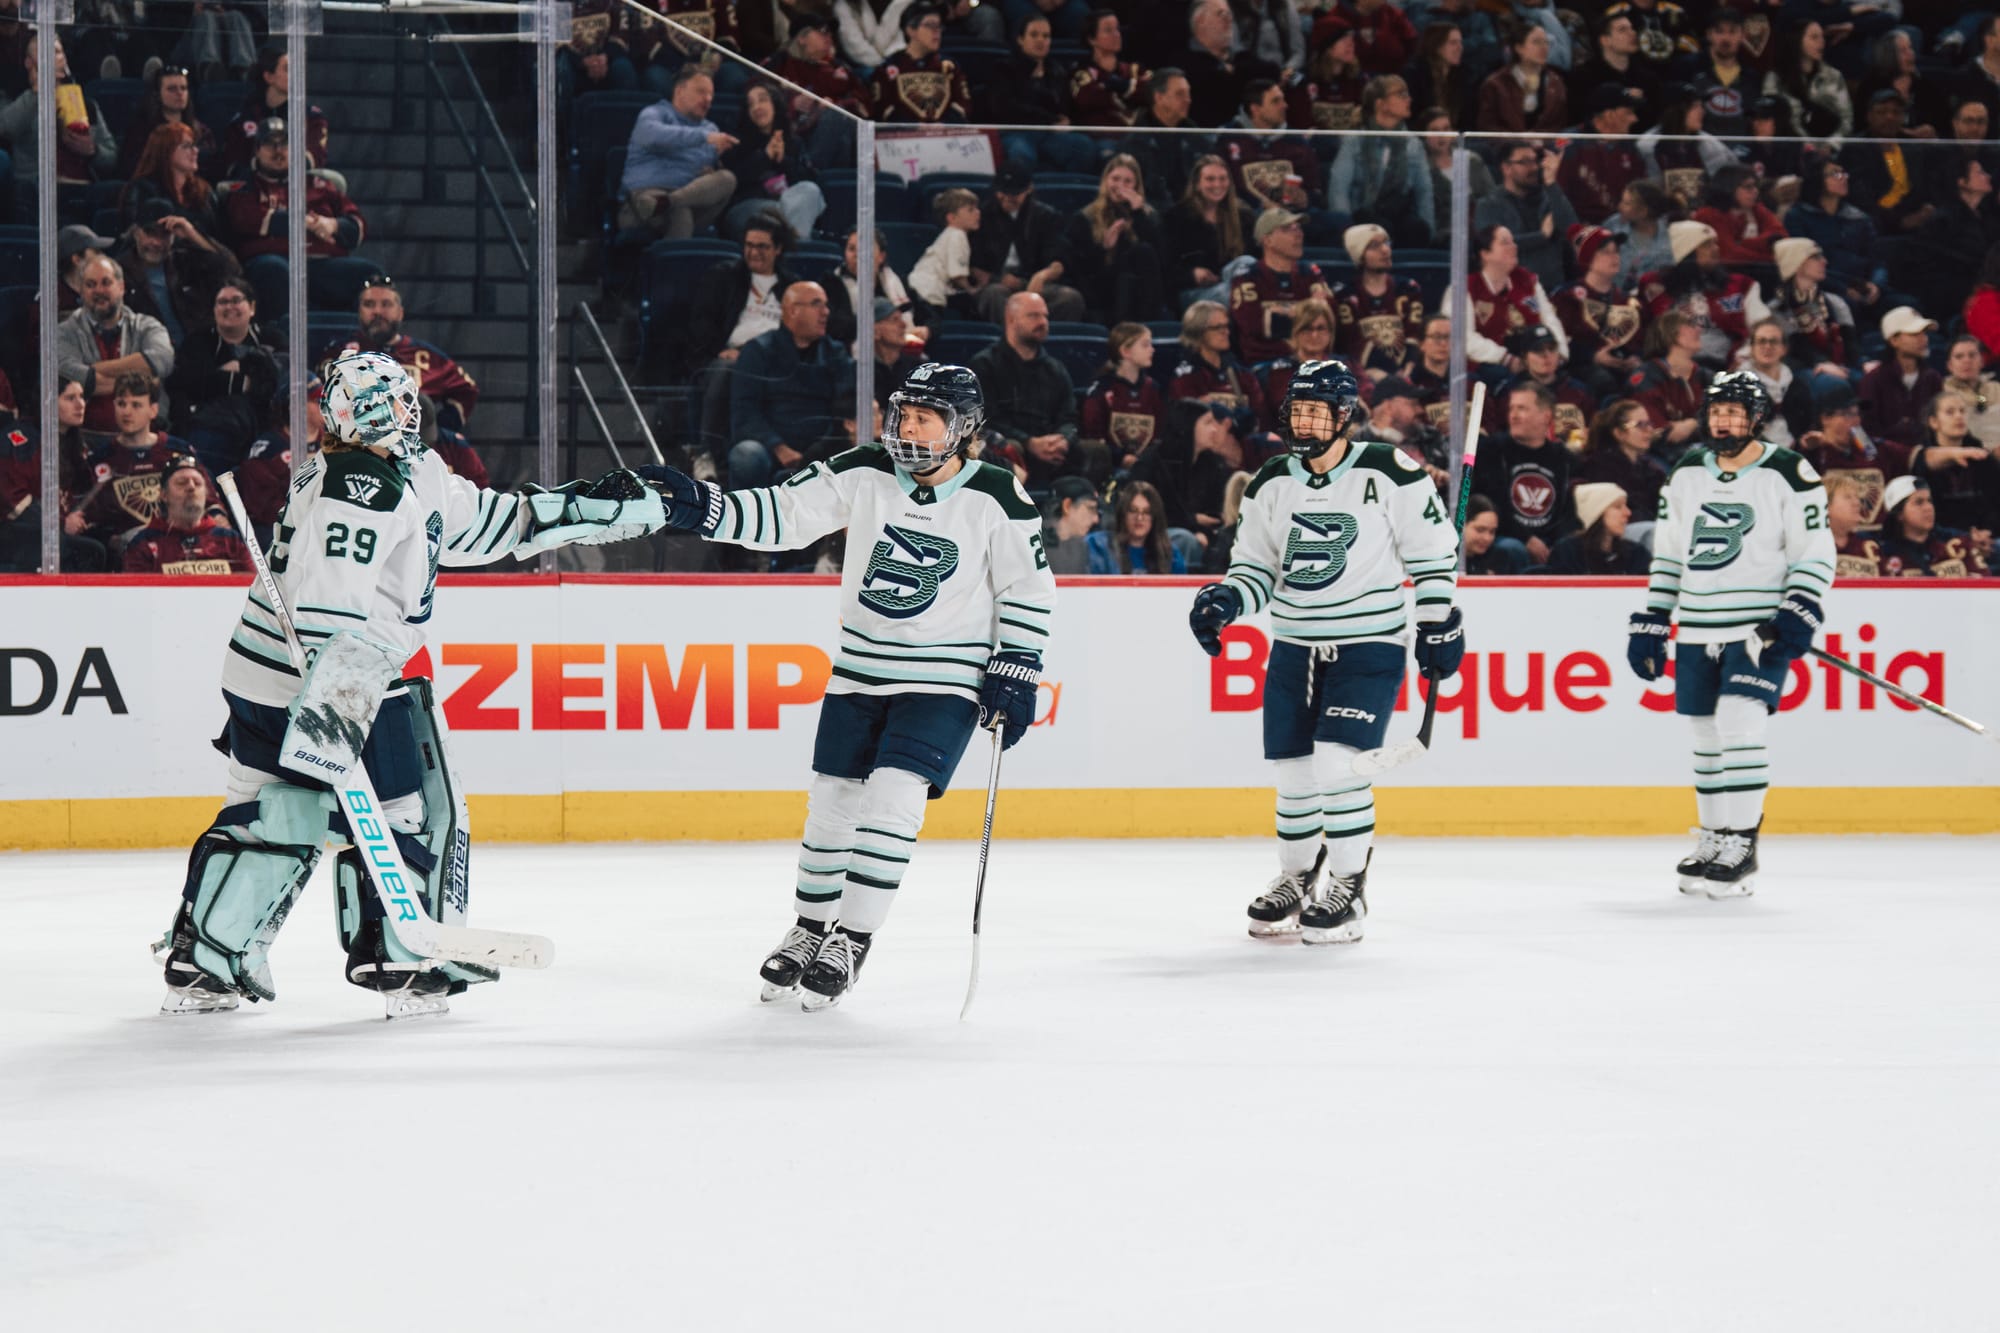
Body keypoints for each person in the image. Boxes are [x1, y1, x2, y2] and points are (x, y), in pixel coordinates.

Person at [155, 351, 670, 1017]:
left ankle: (206, 958)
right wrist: (334, 711)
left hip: (271, 669)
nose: (397, 411)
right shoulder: (359, 479)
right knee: (406, 808)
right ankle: (400, 955)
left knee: (269, 810)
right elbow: (326, 607)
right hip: (333, 670)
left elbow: (492, 523)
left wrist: (594, 509)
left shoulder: (414, 469)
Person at [641, 362, 1057, 1010]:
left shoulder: (998, 495)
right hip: (860, 669)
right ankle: (810, 927)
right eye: (904, 413)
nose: (909, 427)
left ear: (964, 427)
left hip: (944, 677)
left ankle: (853, 936)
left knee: (893, 796)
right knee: (833, 800)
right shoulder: (863, 468)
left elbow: (1027, 587)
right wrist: (708, 507)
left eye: (927, 416)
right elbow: (785, 512)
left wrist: (1018, 663)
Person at [1187, 358, 1464, 944]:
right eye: (1299, 409)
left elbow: (1433, 554)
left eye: (1318, 411)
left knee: (1339, 766)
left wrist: (1438, 619)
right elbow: (1257, 568)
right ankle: (1296, 877)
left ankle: (1349, 886)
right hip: (1292, 647)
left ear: (1345, 416)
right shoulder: (1270, 481)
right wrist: (1227, 601)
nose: (1306, 421)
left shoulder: (1391, 470)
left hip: (1369, 646)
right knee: (1293, 774)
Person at [1626, 371, 1835, 899]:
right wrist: (1654, 617)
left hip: (1757, 628)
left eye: (1735, 411)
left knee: (1739, 723)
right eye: (1717, 410)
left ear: (1757, 418)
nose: (1724, 419)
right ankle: (1715, 835)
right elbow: (1670, 552)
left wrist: (1800, 606)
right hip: (1698, 623)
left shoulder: (1789, 471)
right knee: (1704, 733)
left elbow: (1814, 549)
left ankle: (1743, 840)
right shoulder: (1687, 472)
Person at [223, 120, 371, 318]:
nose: (278, 151)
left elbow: (357, 225)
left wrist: (332, 224)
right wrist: (305, 222)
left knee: (369, 275)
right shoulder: (246, 185)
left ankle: (357, 340)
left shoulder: (319, 184)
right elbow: (244, 219)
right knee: (274, 271)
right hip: (274, 262)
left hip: (322, 263)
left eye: (284, 144)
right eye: (270, 144)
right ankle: (281, 340)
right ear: (257, 150)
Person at [727, 282, 857, 489]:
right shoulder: (758, 350)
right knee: (746, 455)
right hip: (771, 448)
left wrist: (818, 451)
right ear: (793, 310)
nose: (826, 312)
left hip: (822, 446)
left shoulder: (835, 352)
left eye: (826, 305)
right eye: (817, 305)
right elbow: (745, 412)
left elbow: (845, 405)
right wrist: (779, 448)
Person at [321, 274, 479, 431]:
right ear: (359, 311)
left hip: (414, 446)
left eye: (386, 304)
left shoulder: (426, 357)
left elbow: (466, 390)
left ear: (400, 312)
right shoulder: (340, 355)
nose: (377, 311)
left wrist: (441, 430)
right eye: (369, 304)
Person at [970, 292, 1096, 487]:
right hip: (1012, 444)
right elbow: (987, 420)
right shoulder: (985, 365)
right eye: (1034, 316)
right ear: (1011, 319)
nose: (1043, 322)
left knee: (1094, 451)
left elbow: (1069, 417)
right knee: (1011, 448)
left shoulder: (1055, 369)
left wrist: (1063, 439)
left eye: (1045, 316)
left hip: (1051, 446)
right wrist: (1030, 442)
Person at [68, 372, 196, 555]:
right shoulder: (100, 460)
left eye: (136, 405)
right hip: (126, 555)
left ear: (154, 410)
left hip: (180, 547)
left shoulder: (180, 452)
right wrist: (112, 540)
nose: (127, 412)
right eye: (121, 404)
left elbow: (209, 504)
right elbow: (85, 520)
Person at [168, 278, 285, 476]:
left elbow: (278, 380)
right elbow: (191, 384)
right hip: (213, 426)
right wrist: (246, 381)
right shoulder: (197, 342)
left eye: (236, 300)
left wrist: (240, 366)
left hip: (264, 423)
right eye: (222, 302)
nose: (229, 307)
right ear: (214, 309)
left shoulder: (272, 338)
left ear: (252, 307)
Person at [57, 254, 175, 434]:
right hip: (85, 436)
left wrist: (93, 369)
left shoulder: (148, 326)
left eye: (106, 283)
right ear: (81, 291)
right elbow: (74, 376)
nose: (98, 291)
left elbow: (162, 361)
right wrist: (143, 380)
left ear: (121, 287)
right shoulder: (64, 332)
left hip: (147, 435)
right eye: (90, 285)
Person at [620, 66, 739, 240]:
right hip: (644, 198)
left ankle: (668, 202)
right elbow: (654, 137)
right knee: (681, 213)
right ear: (679, 90)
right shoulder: (653, 114)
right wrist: (704, 138)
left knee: (727, 179)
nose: (708, 99)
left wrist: (711, 170)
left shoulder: (710, 128)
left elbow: (706, 169)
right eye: (701, 92)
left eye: (711, 95)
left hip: (689, 200)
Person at [0, 377, 105, 573]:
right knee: (89, 551)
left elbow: (82, 495)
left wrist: (81, 517)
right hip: (16, 533)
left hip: (51, 531)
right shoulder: (21, 439)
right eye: (70, 398)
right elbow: (12, 500)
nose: (80, 404)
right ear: (48, 401)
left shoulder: (77, 445)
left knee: (102, 543)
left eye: (82, 397)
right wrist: (61, 523)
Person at [1637, 220, 1766, 371]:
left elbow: (1764, 327)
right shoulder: (1654, 285)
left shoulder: (1739, 286)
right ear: (1686, 252)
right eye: (1706, 245)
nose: (1716, 249)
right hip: (1668, 367)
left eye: (1715, 243)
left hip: (1722, 366)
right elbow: (1641, 329)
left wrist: (1743, 358)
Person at [967, 165, 1086, 325]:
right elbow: (971, 263)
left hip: (1033, 282)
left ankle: (1045, 340)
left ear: (1028, 189)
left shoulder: (1046, 216)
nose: (1007, 197)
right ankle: (1012, 339)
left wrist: (1042, 276)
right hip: (996, 283)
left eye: (1014, 193)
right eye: (1003, 192)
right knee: (993, 294)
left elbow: (1059, 258)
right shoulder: (982, 216)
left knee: (1070, 298)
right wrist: (997, 278)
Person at [1471, 381, 1574, 566]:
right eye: (1512, 409)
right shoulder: (1492, 450)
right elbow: (1491, 503)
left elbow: (1567, 510)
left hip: (1549, 539)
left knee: (1570, 548)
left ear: (1546, 416)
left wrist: (1555, 543)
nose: (1514, 416)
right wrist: (1527, 539)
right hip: (1504, 535)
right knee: (1512, 549)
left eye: (1522, 409)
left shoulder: (1562, 457)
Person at [1324, 74, 1433, 247]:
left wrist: (1429, 229)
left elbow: (1424, 192)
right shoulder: (1355, 141)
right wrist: (1344, 230)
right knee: (1380, 228)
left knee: (1417, 230)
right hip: (1362, 213)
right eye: (1401, 95)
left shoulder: (1413, 144)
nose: (1409, 99)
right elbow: (1339, 188)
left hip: (1398, 212)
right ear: (1380, 104)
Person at [1059, 153, 1168, 325]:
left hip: (1141, 296)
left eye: (1127, 181)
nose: (1120, 186)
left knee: (1143, 252)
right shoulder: (1085, 217)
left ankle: (1141, 328)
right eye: (1115, 179)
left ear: (1137, 185)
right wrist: (1104, 248)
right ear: (1105, 181)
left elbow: (1161, 260)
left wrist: (1138, 214)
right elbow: (1078, 269)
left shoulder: (1149, 216)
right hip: (1102, 290)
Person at [1129, 398, 1247, 552]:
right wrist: (1192, 523)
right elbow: (1149, 513)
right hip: (1160, 535)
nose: (1215, 430)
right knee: (1186, 540)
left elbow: (1216, 509)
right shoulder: (1153, 463)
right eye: (1208, 423)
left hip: (1204, 533)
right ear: (1188, 425)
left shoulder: (1212, 463)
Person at [718, 83, 826, 244]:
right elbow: (733, 181)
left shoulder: (793, 142)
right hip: (748, 207)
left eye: (762, 100)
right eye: (751, 104)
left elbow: (806, 182)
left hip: (788, 204)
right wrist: (765, 157)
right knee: (783, 213)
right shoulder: (735, 140)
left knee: (810, 190)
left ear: (775, 105)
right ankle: (797, 250)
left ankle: (790, 246)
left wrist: (783, 161)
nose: (757, 107)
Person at [1473, 140, 1579, 298]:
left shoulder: (1549, 197)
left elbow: (1572, 230)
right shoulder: (1489, 204)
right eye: (1525, 162)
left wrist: (1551, 183)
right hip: (1509, 290)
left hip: (1553, 289)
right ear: (1506, 168)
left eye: (1535, 161)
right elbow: (1491, 246)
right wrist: (1541, 236)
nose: (1534, 168)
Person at [1229, 209, 1335, 364]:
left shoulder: (1310, 273)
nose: (1298, 234)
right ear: (1267, 240)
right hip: (1269, 364)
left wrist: (1281, 315)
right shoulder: (1247, 276)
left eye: (1298, 228)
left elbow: (1330, 315)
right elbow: (1252, 324)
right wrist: (1308, 313)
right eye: (1287, 229)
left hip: (1314, 359)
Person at [1781, 159, 1884, 319]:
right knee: (1845, 306)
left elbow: (1877, 259)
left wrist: (1876, 285)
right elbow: (1801, 264)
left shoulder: (1858, 217)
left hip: (1864, 283)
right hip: (1825, 285)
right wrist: (1843, 288)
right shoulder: (1797, 217)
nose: (1843, 178)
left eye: (1844, 173)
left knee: (1905, 303)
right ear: (1817, 179)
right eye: (1835, 174)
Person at [762, 15, 871, 165]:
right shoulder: (779, 63)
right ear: (802, 38)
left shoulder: (839, 68)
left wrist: (834, 105)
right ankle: (810, 170)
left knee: (839, 117)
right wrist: (792, 103)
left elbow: (863, 100)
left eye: (830, 33)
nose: (829, 37)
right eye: (823, 31)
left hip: (841, 136)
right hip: (794, 136)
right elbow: (755, 93)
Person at [120, 454, 252, 575]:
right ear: (164, 495)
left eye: (198, 483)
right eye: (181, 483)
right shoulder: (143, 543)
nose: (191, 487)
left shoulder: (230, 540)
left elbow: (254, 589)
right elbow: (136, 595)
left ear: (206, 495)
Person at [1554, 224, 1643, 396]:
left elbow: (1638, 338)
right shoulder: (1567, 297)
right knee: (1603, 381)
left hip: (1620, 365)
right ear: (1588, 258)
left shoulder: (1625, 299)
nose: (1614, 257)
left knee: (1642, 378)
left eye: (1616, 251)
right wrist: (1592, 356)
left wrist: (1635, 357)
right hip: (1582, 366)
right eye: (1605, 252)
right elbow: (1560, 341)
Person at [1465, 224, 1566, 374]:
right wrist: (1504, 358)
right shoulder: (1466, 288)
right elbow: (1463, 337)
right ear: (1485, 253)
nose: (1514, 247)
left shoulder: (1527, 280)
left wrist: (1559, 353)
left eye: (1513, 242)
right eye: (1505, 242)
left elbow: (1550, 319)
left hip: (1538, 358)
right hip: (1492, 366)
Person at [1165, 154, 1255, 309]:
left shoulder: (1243, 215)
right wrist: (1192, 275)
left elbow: (1255, 258)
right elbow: (1165, 269)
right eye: (1210, 179)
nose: (1217, 184)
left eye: (1222, 178)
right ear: (1197, 184)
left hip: (1231, 284)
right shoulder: (1177, 216)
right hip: (1193, 292)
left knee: (1246, 263)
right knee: (1234, 294)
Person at [1909, 388, 2000, 540]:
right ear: (1933, 422)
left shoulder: (1984, 458)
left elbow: (1996, 505)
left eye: (1962, 411)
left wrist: (1987, 531)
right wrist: (1963, 539)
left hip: (1987, 539)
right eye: (1950, 412)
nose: (1958, 416)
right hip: (1940, 541)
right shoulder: (1922, 461)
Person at [1761, 238, 1854, 380]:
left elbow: (1851, 342)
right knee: (1833, 382)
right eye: (1815, 257)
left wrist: (1863, 363)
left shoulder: (1835, 302)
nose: (1824, 261)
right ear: (1796, 263)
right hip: (1801, 369)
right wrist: (1822, 363)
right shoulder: (1775, 310)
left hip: (1840, 364)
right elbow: (1797, 349)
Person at [1170, 297, 1272, 428]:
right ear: (1199, 331)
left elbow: (1262, 419)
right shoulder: (1185, 378)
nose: (1226, 332)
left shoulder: (1242, 375)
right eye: (1218, 327)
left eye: (1226, 326)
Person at [866, 4, 972, 124]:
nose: (937, 31)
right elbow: (882, 110)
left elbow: (964, 105)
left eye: (939, 26)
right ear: (911, 30)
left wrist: (943, 125)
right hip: (905, 140)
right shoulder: (888, 68)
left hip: (946, 138)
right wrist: (914, 127)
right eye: (930, 25)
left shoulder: (950, 66)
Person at [1574, 398, 1668, 533]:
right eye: (1640, 425)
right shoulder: (1599, 466)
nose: (1649, 430)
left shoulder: (1651, 468)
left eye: (1649, 423)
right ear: (1619, 433)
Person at [1627, 310, 1710, 460]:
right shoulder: (1647, 377)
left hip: (1706, 448)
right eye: (1690, 325)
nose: (1698, 329)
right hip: (1662, 455)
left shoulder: (1705, 375)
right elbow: (1662, 433)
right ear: (1672, 335)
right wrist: (1704, 423)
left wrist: (1692, 424)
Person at [1557, 85, 1646, 225]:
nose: (1634, 119)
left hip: (1621, 224)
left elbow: (1641, 188)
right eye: (1628, 112)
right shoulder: (1570, 142)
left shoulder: (1629, 147)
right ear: (1609, 115)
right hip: (1578, 226)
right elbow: (1556, 193)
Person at [1872, 473, 1992, 577]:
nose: (1928, 508)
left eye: (1929, 501)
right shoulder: (1883, 554)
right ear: (1899, 514)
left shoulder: (1953, 545)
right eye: (1919, 502)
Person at [1081, 322, 1163, 471]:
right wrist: (1121, 457)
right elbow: (1095, 437)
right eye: (1145, 345)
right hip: (1110, 466)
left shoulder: (1153, 389)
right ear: (1126, 351)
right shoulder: (1101, 390)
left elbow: (1159, 434)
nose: (1152, 349)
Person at [1859, 307, 1943, 450]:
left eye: (1924, 333)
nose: (1923, 339)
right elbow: (1866, 431)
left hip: (1928, 456)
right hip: (1888, 457)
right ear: (1894, 340)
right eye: (1915, 334)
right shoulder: (1873, 380)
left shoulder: (1933, 378)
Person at [117, 63, 217, 180]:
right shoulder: (141, 131)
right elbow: (131, 169)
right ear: (157, 95)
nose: (180, 93)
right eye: (172, 89)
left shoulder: (200, 130)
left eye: (183, 88)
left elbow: (212, 168)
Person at [1502, 324, 1596, 447]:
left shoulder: (1579, 391)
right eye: (1538, 350)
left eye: (1551, 349)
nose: (1546, 355)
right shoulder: (1510, 392)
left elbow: (1594, 433)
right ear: (1525, 358)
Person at [1128, 67, 1208, 212]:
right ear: (1159, 97)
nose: (1188, 100)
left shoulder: (1196, 137)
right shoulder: (1136, 141)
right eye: (1180, 94)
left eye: (1188, 94)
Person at [1735, 316, 1815, 451]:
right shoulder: (1738, 384)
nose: (1767, 347)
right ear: (1752, 348)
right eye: (1761, 341)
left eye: (1774, 342)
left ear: (1784, 349)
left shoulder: (1797, 385)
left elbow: (1806, 425)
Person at [1764, 19, 1851, 140]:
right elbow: (1769, 118)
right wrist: (1805, 147)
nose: (1821, 42)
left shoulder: (1834, 76)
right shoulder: (1775, 78)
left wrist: (1831, 145)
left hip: (1830, 150)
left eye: (1822, 37)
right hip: (1791, 148)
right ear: (1797, 40)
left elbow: (1846, 119)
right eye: (1814, 37)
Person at [1475, 19, 1567, 133]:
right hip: (1507, 149)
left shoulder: (1556, 83)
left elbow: (1561, 129)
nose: (1544, 47)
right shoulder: (1495, 84)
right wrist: (1515, 144)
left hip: (1546, 148)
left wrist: (1555, 147)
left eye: (1546, 42)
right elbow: (1486, 128)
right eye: (1536, 42)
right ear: (1519, 48)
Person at [1258, 296, 1336, 428]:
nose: (1314, 335)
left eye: (1321, 328)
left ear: (1330, 332)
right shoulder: (1279, 372)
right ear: (1295, 332)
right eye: (1307, 329)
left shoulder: (1346, 366)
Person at [1543, 481, 1648, 574]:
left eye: (1626, 506)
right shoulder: (1567, 552)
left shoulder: (1636, 554)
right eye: (1618, 507)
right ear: (1597, 514)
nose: (1628, 513)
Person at [1069, 6, 1149, 128]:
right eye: (1108, 30)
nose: (1116, 34)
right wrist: (1131, 90)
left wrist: (1123, 86)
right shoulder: (1081, 72)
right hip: (1101, 138)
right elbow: (1088, 99)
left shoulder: (1135, 69)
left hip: (1137, 139)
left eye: (1117, 29)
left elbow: (1152, 92)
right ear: (1091, 39)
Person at [1692, 165, 1786, 266]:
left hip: (1760, 267)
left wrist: (1743, 243)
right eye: (1748, 187)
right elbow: (1729, 255)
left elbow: (1781, 235)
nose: (1756, 191)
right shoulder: (1708, 214)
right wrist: (1771, 257)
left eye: (1755, 186)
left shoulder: (1756, 209)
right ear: (1729, 188)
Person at [1087, 479, 1182, 573]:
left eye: (1147, 512)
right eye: (1133, 510)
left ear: (1155, 517)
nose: (1139, 518)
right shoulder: (1098, 545)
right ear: (1123, 514)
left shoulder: (1170, 554)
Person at [1606, 179, 1674, 292]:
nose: (1620, 206)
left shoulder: (1666, 239)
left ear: (1643, 211)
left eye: (1626, 203)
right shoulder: (1614, 225)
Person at [1406, 20, 1474, 128]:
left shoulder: (1464, 77)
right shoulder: (1415, 75)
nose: (1460, 48)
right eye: (1453, 43)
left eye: (1460, 42)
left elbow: (1468, 119)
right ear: (1436, 45)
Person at [1943, 335, 2000, 451]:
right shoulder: (1943, 393)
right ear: (1949, 365)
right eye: (1959, 357)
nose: (1967, 360)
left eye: (1972, 355)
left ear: (1982, 361)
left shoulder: (1996, 388)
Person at [1042, 473, 1100, 574]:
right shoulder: (1034, 547)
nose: (1096, 519)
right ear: (1067, 506)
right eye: (1091, 508)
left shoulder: (1082, 547)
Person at [1461, 493, 1526, 573]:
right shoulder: (1445, 562)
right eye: (1480, 530)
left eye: (1492, 532)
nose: (1487, 538)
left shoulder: (1498, 560)